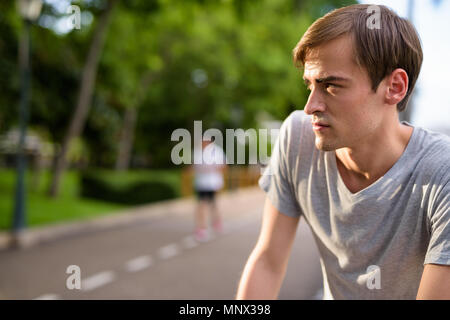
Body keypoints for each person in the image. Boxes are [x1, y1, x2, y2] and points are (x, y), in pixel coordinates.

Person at [236, 4, 450, 300]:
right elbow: (269, 261)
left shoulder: (442, 173)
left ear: (395, 87)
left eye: (331, 86)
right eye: (310, 85)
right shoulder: (298, 138)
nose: (311, 106)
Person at [192, 138, 227, 242]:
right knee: (201, 205)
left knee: (213, 204)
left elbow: (223, 166)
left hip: (213, 183)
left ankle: (217, 222)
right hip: (201, 183)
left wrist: (211, 168)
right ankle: (201, 228)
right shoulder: (197, 151)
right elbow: (194, 166)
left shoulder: (217, 151)